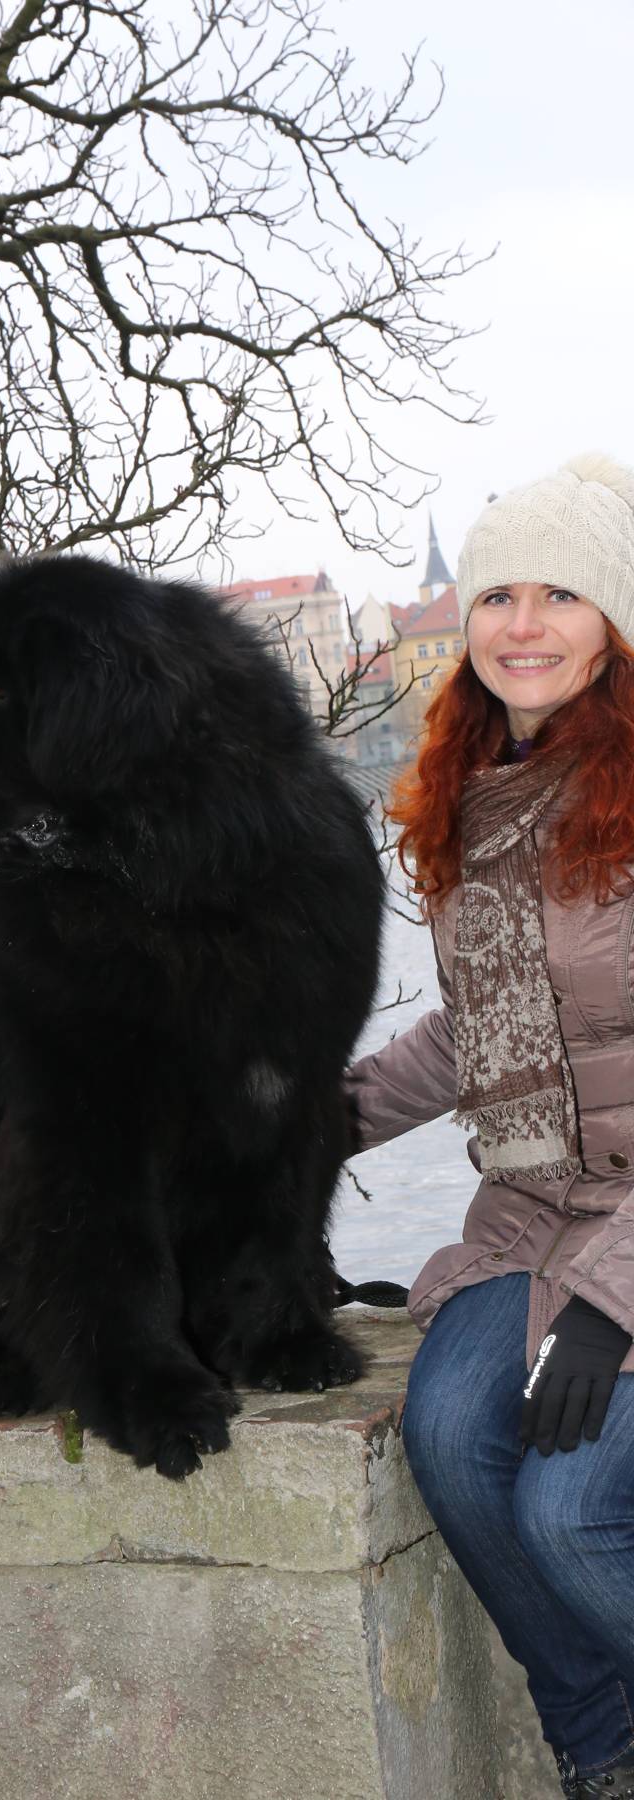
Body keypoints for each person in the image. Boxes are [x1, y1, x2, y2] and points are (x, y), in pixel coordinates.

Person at [346, 454, 634, 1800]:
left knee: (569, 1514)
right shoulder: (472, 790)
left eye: (561, 594)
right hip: (528, 1217)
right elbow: (478, 1033)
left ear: (614, 619)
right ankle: (602, 1749)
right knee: (453, 1442)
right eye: (498, 594)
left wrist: (615, 1304)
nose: (523, 624)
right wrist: (298, 1127)